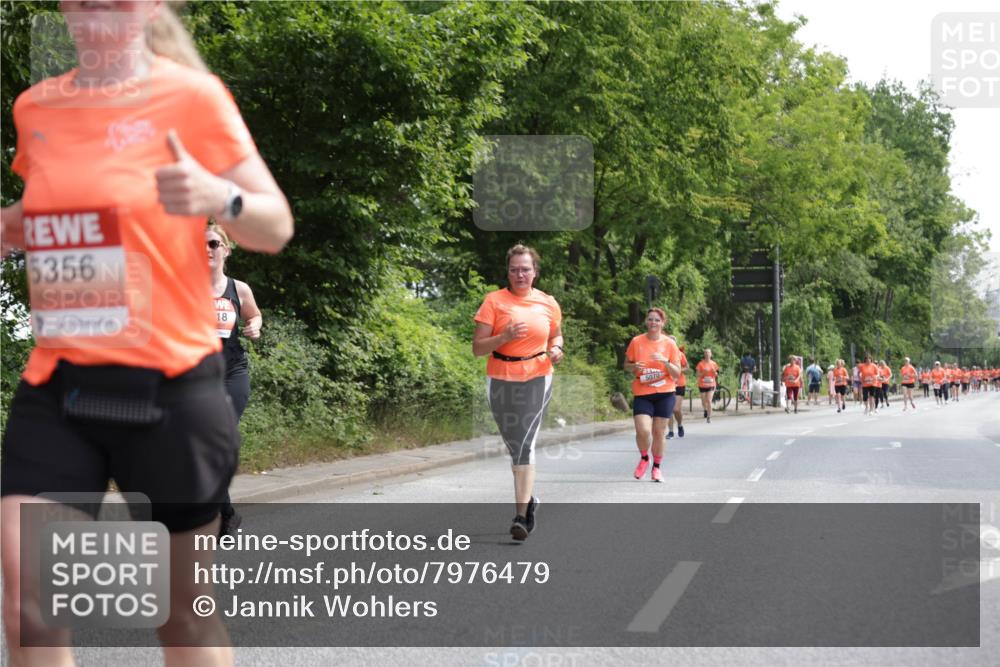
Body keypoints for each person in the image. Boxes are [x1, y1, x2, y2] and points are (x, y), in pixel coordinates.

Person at [0, 2, 294, 664]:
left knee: (182, 616)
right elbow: (49, 208)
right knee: (29, 605)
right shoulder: (37, 108)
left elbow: (274, 224)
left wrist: (218, 197)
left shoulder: (192, 98)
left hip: (171, 390)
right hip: (60, 385)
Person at [473, 245, 563, 540]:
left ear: (535, 272)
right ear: (508, 272)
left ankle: (521, 517)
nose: (520, 274)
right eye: (514, 269)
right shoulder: (494, 301)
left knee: (524, 444)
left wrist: (557, 348)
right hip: (500, 377)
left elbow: (556, 334)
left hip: (537, 375)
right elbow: (478, 348)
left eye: (525, 269)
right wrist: (505, 336)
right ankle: (530, 499)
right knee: (514, 446)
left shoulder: (548, 302)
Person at [207, 223, 262, 536]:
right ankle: (227, 514)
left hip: (232, 375)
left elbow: (254, 315)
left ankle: (222, 516)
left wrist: (254, 326)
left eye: (213, 244)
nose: (207, 250)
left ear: (225, 250)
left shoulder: (238, 289)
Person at [624, 310, 681, 481]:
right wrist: (634, 367)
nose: (653, 322)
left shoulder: (670, 344)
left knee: (659, 432)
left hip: (665, 393)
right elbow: (626, 365)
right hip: (643, 392)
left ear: (663, 323)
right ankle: (644, 458)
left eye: (657, 320)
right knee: (643, 430)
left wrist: (666, 362)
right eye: (650, 319)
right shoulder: (637, 341)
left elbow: (677, 373)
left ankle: (656, 468)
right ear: (646, 321)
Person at [667, 338, 688, 439]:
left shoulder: (680, 354)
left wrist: (678, 370)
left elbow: (687, 367)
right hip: (667, 385)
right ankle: (670, 431)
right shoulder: (664, 354)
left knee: (676, 409)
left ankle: (679, 425)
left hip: (679, 384)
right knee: (669, 409)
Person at [696, 348, 720, 423]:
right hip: (702, 384)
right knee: (703, 401)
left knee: (709, 400)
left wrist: (714, 372)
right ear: (704, 354)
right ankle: (705, 409)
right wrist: (703, 372)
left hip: (711, 384)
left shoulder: (714, 364)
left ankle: (709, 417)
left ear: (711, 354)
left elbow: (717, 374)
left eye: (708, 353)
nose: (707, 354)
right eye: (706, 353)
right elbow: (697, 375)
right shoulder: (700, 364)